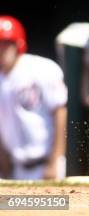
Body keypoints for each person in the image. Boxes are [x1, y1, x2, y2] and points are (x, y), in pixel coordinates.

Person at [0, 16, 67, 180]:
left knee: (54, 206)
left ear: (18, 44)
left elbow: (60, 113)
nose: (1, 49)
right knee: (13, 206)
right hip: (17, 169)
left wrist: (54, 162)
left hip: (46, 164)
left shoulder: (40, 68)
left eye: (6, 43)